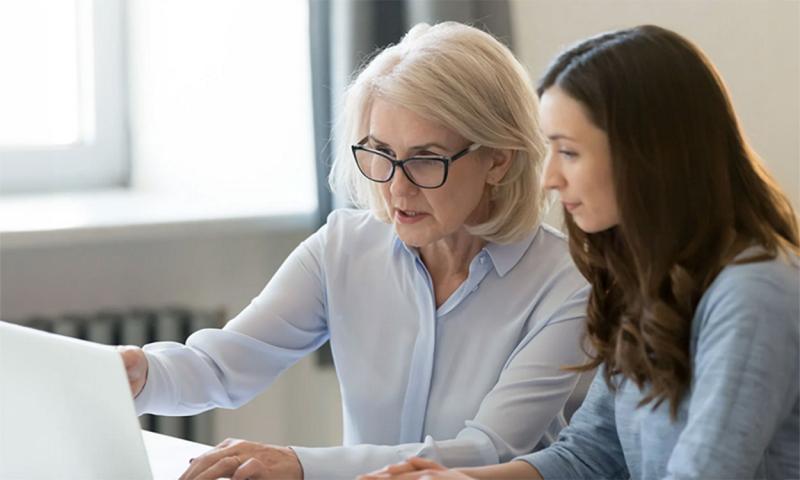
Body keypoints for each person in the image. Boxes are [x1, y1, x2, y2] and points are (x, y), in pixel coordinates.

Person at [118, 21, 590, 480]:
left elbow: (488, 450)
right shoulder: (342, 248)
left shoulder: (567, 285)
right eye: (381, 153)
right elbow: (222, 365)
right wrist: (144, 373)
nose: (397, 189)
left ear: (498, 159)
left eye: (425, 160)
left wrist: (302, 466)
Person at [362, 24, 800, 480]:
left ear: (647, 156)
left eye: (568, 152)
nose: (549, 177)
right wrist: (456, 478)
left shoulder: (754, 293)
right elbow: (590, 455)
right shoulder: (651, 283)